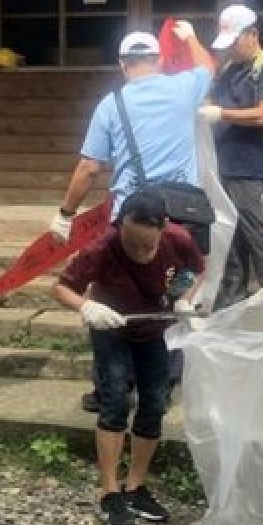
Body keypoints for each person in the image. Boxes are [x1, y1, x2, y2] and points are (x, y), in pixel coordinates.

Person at [50, 26, 214, 412]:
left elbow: (90, 167)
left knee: (112, 294)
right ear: (158, 60)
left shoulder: (112, 104)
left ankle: (113, 385)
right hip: (181, 214)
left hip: (131, 218)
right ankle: (162, 383)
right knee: (177, 297)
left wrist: (65, 214)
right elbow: (208, 63)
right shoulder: (183, 87)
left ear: (122, 66)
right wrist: (190, 37)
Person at [53, 190, 205, 525]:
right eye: (132, 244)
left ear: (163, 229)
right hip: (112, 328)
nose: (139, 252)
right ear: (120, 225)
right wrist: (87, 308)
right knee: (115, 402)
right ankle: (110, 491)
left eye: (146, 247)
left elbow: (197, 270)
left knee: (154, 403)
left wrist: (183, 299)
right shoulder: (100, 248)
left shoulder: (178, 239)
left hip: (153, 329)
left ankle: (135, 486)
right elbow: (62, 288)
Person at [204, 3, 263, 308]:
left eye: (235, 42)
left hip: (251, 168)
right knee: (230, 232)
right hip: (223, 165)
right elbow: (214, 100)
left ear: (253, 34)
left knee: (257, 233)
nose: (231, 50)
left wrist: (221, 113)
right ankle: (232, 300)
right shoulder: (230, 69)